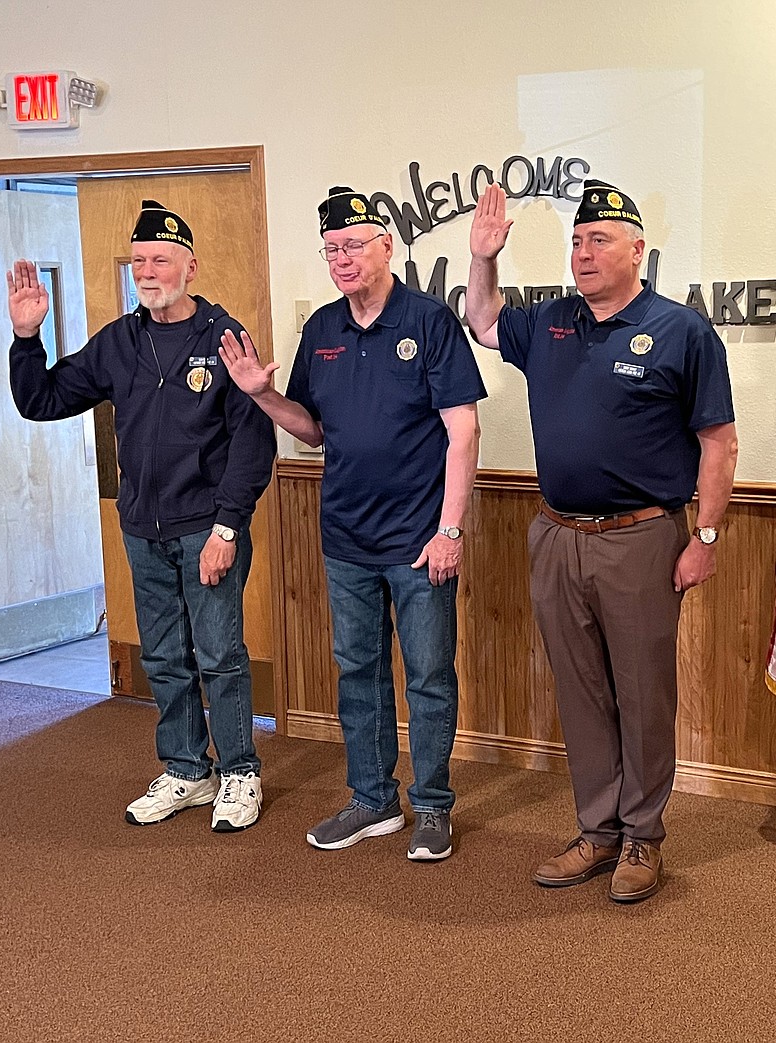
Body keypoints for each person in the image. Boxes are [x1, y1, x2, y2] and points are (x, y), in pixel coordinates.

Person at [466, 180, 738, 902]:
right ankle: (598, 830)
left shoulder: (682, 331)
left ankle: (644, 838)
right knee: (581, 691)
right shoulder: (552, 321)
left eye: (600, 241)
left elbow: (720, 442)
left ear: (638, 251)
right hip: (556, 535)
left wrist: (705, 534)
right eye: (578, 241)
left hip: (641, 539)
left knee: (644, 695)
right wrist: (484, 258)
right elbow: (484, 320)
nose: (584, 254)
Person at [220, 186, 484, 861]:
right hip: (346, 541)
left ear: (386, 247)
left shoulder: (428, 322)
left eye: (353, 246)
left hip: (420, 542)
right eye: (331, 249)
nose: (341, 258)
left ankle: (431, 806)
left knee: (428, 675)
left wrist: (450, 529)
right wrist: (262, 395)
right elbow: (312, 432)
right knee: (358, 673)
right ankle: (372, 800)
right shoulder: (323, 332)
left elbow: (463, 429)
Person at [7, 200, 276, 832]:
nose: (147, 271)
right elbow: (41, 400)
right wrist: (26, 337)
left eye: (160, 259)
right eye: (139, 261)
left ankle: (238, 773)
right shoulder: (119, 343)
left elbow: (252, 441)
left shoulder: (223, 338)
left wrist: (227, 527)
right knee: (161, 656)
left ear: (191, 265)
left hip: (206, 527)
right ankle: (187, 770)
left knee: (219, 654)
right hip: (143, 531)